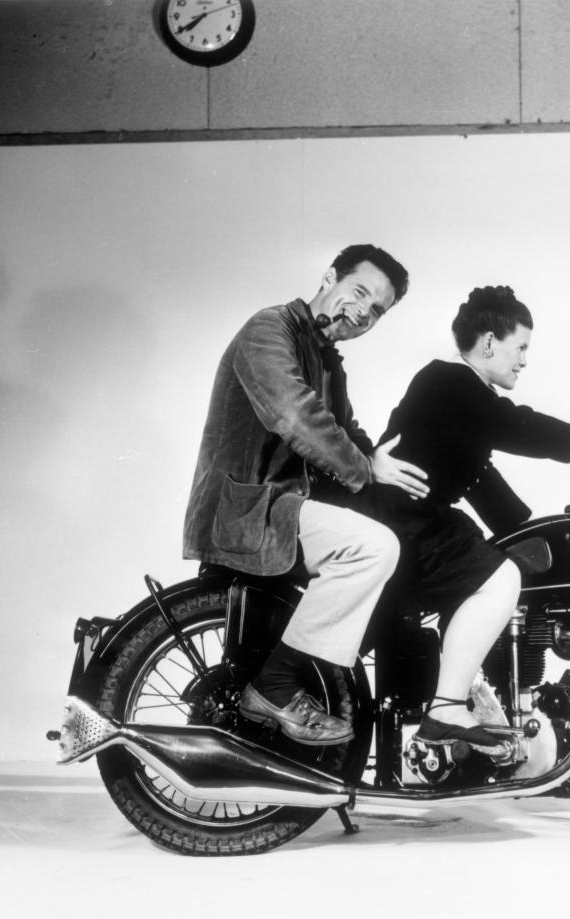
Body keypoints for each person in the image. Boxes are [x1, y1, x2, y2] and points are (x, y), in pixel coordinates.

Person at [182, 244, 429, 746]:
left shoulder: (325, 359)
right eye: (360, 293)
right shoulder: (268, 329)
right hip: (248, 511)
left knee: (398, 545)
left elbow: (344, 428)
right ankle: (274, 686)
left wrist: (384, 468)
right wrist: (364, 468)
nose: (363, 312)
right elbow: (293, 415)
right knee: (372, 548)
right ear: (329, 278)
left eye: (376, 310)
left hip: (279, 511)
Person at [374, 285, 570, 750]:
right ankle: (446, 709)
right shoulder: (449, 381)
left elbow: (479, 479)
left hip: (416, 524)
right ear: (489, 343)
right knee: (499, 579)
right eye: (521, 347)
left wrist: (539, 529)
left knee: (504, 565)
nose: (524, 361)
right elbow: (515, 425)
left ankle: (479, 703)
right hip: (403, 526)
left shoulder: (461, 397)